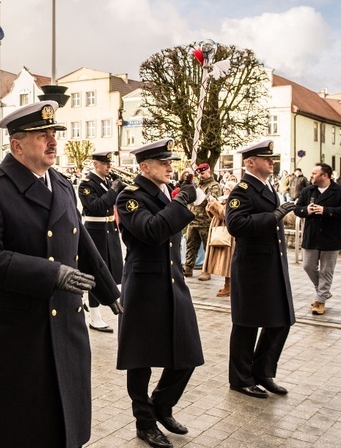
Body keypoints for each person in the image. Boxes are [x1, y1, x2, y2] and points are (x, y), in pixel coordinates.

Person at [0, 101, 122, 447]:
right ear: (16, 145)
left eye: (53, 134)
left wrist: (110, 292)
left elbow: (78, 238)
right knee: (24, 429)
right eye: (41, 135)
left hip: (66, 322)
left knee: (66, 423)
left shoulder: (61, 184)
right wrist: (51, 274)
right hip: (21, 330)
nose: (53, 141)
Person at [116, 138, 203, 448]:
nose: (170, 166)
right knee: (140, 360)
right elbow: (152, 230)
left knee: (188, 351)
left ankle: (161, 406)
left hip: (173, 282)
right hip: (144, 286)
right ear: (144, 167)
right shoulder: (130, 197)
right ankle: (144, 421)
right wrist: (181, 203)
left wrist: (188, 194)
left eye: (171, 161)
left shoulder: (167, 191)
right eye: (163, 162)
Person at [226, 139, 296, 399]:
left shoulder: (267, 187)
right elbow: (236, 224)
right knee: (247, 325)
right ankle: (241, 379)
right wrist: (273, 216)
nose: (272, 162)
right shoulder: (242, 190)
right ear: (250, 162)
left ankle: (263, 371)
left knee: (280, 320)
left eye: (272, 159)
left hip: (271, 265)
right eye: (266, 158)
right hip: (252, 268)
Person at [294, 163, 341, 315]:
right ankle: (323, 292)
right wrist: (306, 210)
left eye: (315, 173)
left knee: (327, 270)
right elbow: (297, 208)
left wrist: (326, 211)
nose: (311, 176)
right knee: (307, 266)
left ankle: (320, 301)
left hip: (331, 236)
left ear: (325, 176)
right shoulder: (308, 190)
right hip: (312, 235)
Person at [78, 150, 125, 333]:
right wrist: (114, 190)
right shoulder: (86, 185)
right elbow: (97, 206)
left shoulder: (107, 181)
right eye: (105, 164)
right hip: (95, 232)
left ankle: (113, 302)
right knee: (95, 274)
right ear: (96, 164)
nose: (108, 167)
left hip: (110, 231)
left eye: (109, 164)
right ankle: (94, 317)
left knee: (114, 272)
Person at [183, 163, 221, 281]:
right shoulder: (196, 185)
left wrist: (205, 195)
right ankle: (188, 268)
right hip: (193, 219)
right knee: (191, 245)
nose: (201, 176)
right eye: (199, 174)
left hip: (205, 221)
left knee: (207, 247)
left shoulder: (214, 185)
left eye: (203, 173)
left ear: (209, 172)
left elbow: (211, 200)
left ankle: (207, 270)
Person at [204, 181, 236, 297]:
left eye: (227, 189)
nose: (225, 190)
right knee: (224, 261)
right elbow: (214, 215)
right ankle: (227, 285)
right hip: (221, 232)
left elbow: (224, 214)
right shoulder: (223, 199)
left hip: (227, 235)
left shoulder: (233, 201)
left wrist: (214, 204)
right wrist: (210, 206)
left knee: (227, 261)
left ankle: (229, 286)